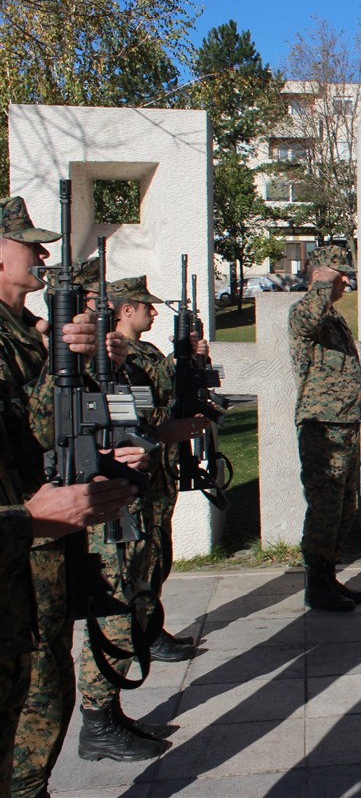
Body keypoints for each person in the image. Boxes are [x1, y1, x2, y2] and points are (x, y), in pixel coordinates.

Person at [0, 196, 143, 797]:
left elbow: (53, 431)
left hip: (45, 546)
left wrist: (114, 450)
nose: (42, 252)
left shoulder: (30, 336)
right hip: (18, 538)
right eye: (27, 243)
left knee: (45, 686)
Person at [74, 275, 210, 763]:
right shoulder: (82, 361)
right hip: (109, 496)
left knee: (134, 590)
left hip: (134, 484)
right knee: (111, 606)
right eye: (92, 304)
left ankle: (107, 713)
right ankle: (97, 719)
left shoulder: (121, 359)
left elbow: (141, 413)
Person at [289, 245, 361, 612]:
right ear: (323, 275)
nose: (347, 282)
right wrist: (321, 284)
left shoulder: (333, 317)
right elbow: (306, 321)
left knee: (344, 506)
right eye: (341, 275)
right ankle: (316, 585)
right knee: (325, 506)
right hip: (323, 425)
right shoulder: (305, 310)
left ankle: (329, 577)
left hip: (344, 422)